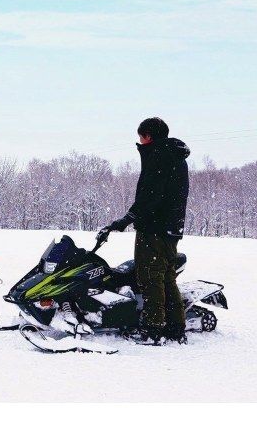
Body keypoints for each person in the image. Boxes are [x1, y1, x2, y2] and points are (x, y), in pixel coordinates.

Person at [97, 117, 190, 344]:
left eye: (141, 136)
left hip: (154, 228)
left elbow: (150, 196)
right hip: (171, 228)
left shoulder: (158, 156)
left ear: (148, 136)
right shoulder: (175, 156)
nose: (140, 141)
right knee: (166, 278)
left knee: (150, 278)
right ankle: (175, 327)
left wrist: (127, 219)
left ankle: (152, 329)